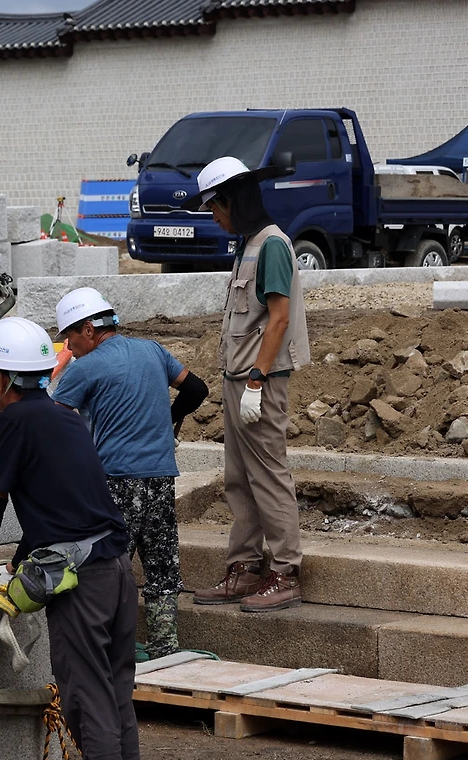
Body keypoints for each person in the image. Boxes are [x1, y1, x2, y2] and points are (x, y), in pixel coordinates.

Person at [0, 317, 137, 760]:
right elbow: (57, 504)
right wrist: (19, 562)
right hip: (116, 566)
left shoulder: (16, 422)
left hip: (83, 582)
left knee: (86, 701)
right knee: (116, 697)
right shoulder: (65, 416)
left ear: (2, 379)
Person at [51, 287, 208, 659]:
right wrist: (167, 421)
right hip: (160, 477)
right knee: (162, 564)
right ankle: (165, 646)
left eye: (70, 337)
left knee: (108, 565)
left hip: (116, 480)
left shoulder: (85, 368)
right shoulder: (153, 351)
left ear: (88, 329)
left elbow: (54, 423)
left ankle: (108, 647)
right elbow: (196, 389)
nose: (69, 346)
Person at [183, 156, 311, 612]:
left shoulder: (271, 245)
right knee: (240, 478)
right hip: (239, 378)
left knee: (268, 475)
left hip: (260, 381)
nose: (214, 218)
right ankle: (245, 567)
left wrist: (257, 379)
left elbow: (278, 319)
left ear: (232, 201)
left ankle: (285, 572)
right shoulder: (248, 245)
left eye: (215, 208)